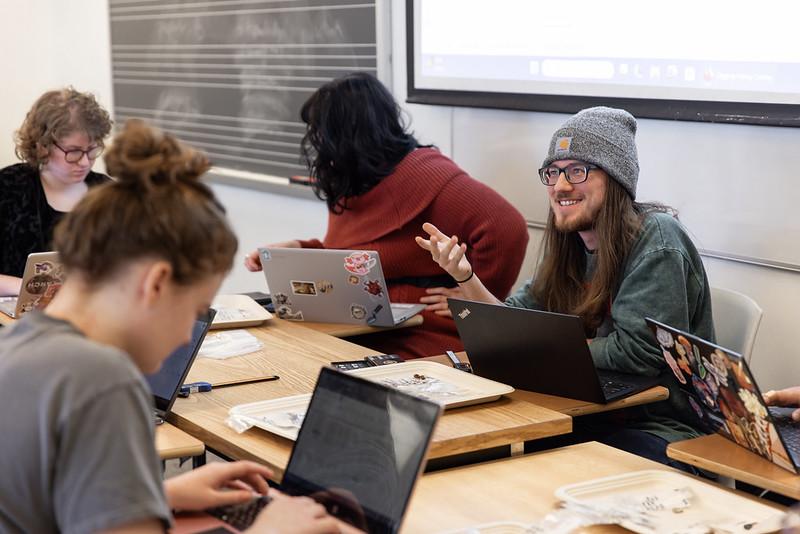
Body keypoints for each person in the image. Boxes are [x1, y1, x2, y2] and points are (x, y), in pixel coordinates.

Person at [0, 119, 340, 534]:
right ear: (157, 283)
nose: (185, 336)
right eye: (193, 309)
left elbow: (51, 493)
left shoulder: (21, 342)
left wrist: (152, 497)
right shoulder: (103, 380)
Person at [417, 106, 716, 467]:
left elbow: (638, 353)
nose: (560, 186)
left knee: (541, 466)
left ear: (616, 178)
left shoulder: (657, 240)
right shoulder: (570, 244)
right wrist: (465, 276)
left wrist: (537, 348)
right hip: (586, 412)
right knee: (473, 453)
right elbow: (511, 325)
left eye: (578, 170)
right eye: (553, 172)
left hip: (661, 428)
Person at [244, 72, 528, 359]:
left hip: (423, 332)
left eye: (322, 133)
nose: (317, 144)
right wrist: (298, 249)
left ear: (348, 135)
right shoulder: (350, 180)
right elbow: (353, 256)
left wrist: (473, 295)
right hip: (369, 325)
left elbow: (507, 227)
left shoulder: (426, 175)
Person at [0, 87, 114, 296]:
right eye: (74, 152)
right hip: (18, 313)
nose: (85, 162)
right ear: (43, 146)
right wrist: (27, 289)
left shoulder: (109, 194)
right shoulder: (8, 187)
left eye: (92, 150)